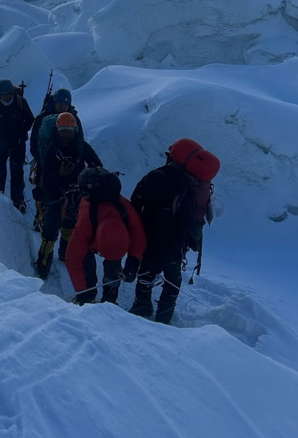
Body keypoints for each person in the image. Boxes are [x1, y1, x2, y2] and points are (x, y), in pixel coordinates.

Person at [128, 138, 220, 324]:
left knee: (146, 273)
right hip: (176, 245)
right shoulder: (191, 185)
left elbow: (136, 200)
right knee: (172, 280)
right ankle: (164, 317)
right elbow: (189, 218)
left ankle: (142, 305)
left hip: (150, 237)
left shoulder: (156, 176)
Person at [34, 113, 102, 279]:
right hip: (55, 193)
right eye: (63, 130)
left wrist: (91, 177)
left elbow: (97, 165)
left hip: (76, 191)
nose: (66, 133)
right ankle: (44, 263)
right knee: (50, 228)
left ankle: (64, 253)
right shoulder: (52, 149)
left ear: (75, 130)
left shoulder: (81, 147)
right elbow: (46, 178)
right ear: (57, 130)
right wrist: (61, 175)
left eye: (69, 130)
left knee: (70, 224)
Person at [66, 168, 147, 305]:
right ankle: (89, 296)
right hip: (92, 225)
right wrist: (83, 291)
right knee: (86, 263)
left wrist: (133, 261)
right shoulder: (86, 222)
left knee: (113, 268)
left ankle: (109, 299)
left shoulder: (127, 213)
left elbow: (139, 239)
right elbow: (73, 259)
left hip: (113, 232)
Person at [29, 87, 83, 231]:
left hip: (67, 160)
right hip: (45, 160)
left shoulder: (73, 118)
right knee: (42, 188)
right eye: (60, 104)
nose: (62, 107)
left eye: (65, 105)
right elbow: (34, 140)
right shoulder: (42, 118)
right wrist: (39, 157)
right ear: (54, 102)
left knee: (63, 190)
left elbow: (79, 140)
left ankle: (55, 217)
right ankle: (41, 215)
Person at [0, 78, 34, 213]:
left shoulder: (20, 102)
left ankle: (17, 201)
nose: (5, 97)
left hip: (16, 144)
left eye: (7, 95)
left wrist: (21, 135)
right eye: (3, 95)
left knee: (16, 172)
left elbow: (29, 119)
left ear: (12, 93)